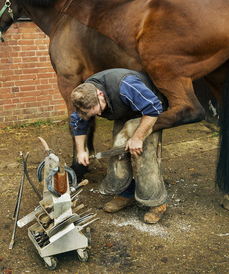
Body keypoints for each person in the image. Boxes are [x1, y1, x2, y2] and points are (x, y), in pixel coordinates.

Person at [70, 68, 168, 224]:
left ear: (100, 94)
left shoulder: (125, 85)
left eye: (99, 110)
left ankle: (156, 203)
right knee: (118, 150)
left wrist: (137, 137)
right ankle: (126, 194)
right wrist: (81, 151)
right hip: (124, 110)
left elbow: (154, 108)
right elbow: (78, 122)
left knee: (144, 154)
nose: (100, 115)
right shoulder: (84, 96)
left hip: (149, 111)